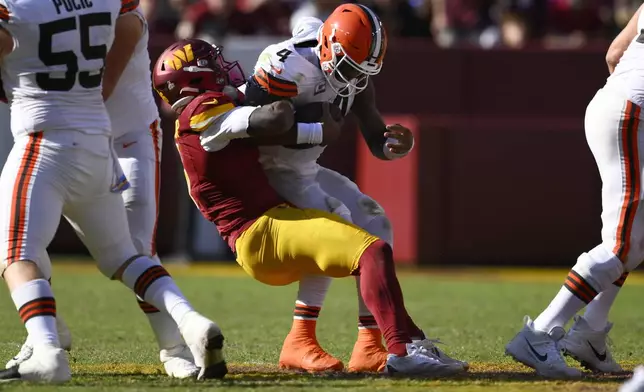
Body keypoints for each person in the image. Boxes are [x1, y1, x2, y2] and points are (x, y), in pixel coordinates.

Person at [152, 37, 466, 378]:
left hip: (274, 218)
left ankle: (334, 342)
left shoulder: (207, 107)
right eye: (212, 64)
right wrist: (313, 125)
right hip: (259, 235)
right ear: (195, 78)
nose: (223, 68)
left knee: (354, 229)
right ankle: (404, 350)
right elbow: (275, 117)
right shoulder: (200, 111)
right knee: (371, 252)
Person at [0, 0, 224, 382]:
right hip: (89, 133)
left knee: (26, 248)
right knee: (112, 254)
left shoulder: (31, 9)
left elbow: (103, 74)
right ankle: (45, 337)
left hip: (111, 133)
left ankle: (174, 345)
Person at [243, 4, 467, 373]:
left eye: (362, 70)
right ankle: (300, 338)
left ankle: (369, 344)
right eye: (348, 67)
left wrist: (391, 144)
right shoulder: (287, 64)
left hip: (304, 169)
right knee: (339, 224)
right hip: (267, 171)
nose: (352, 77)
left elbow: (373, 130)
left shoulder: (356, 71)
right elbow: (250, 126)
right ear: (327, 46)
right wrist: (315, 131)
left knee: (375, 222)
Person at [505, 3, 644, 379]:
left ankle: (591, 332)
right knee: (620, 246)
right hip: (630, 115)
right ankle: (538, 334)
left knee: (635, 240)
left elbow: (615, 52)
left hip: (618, 106)